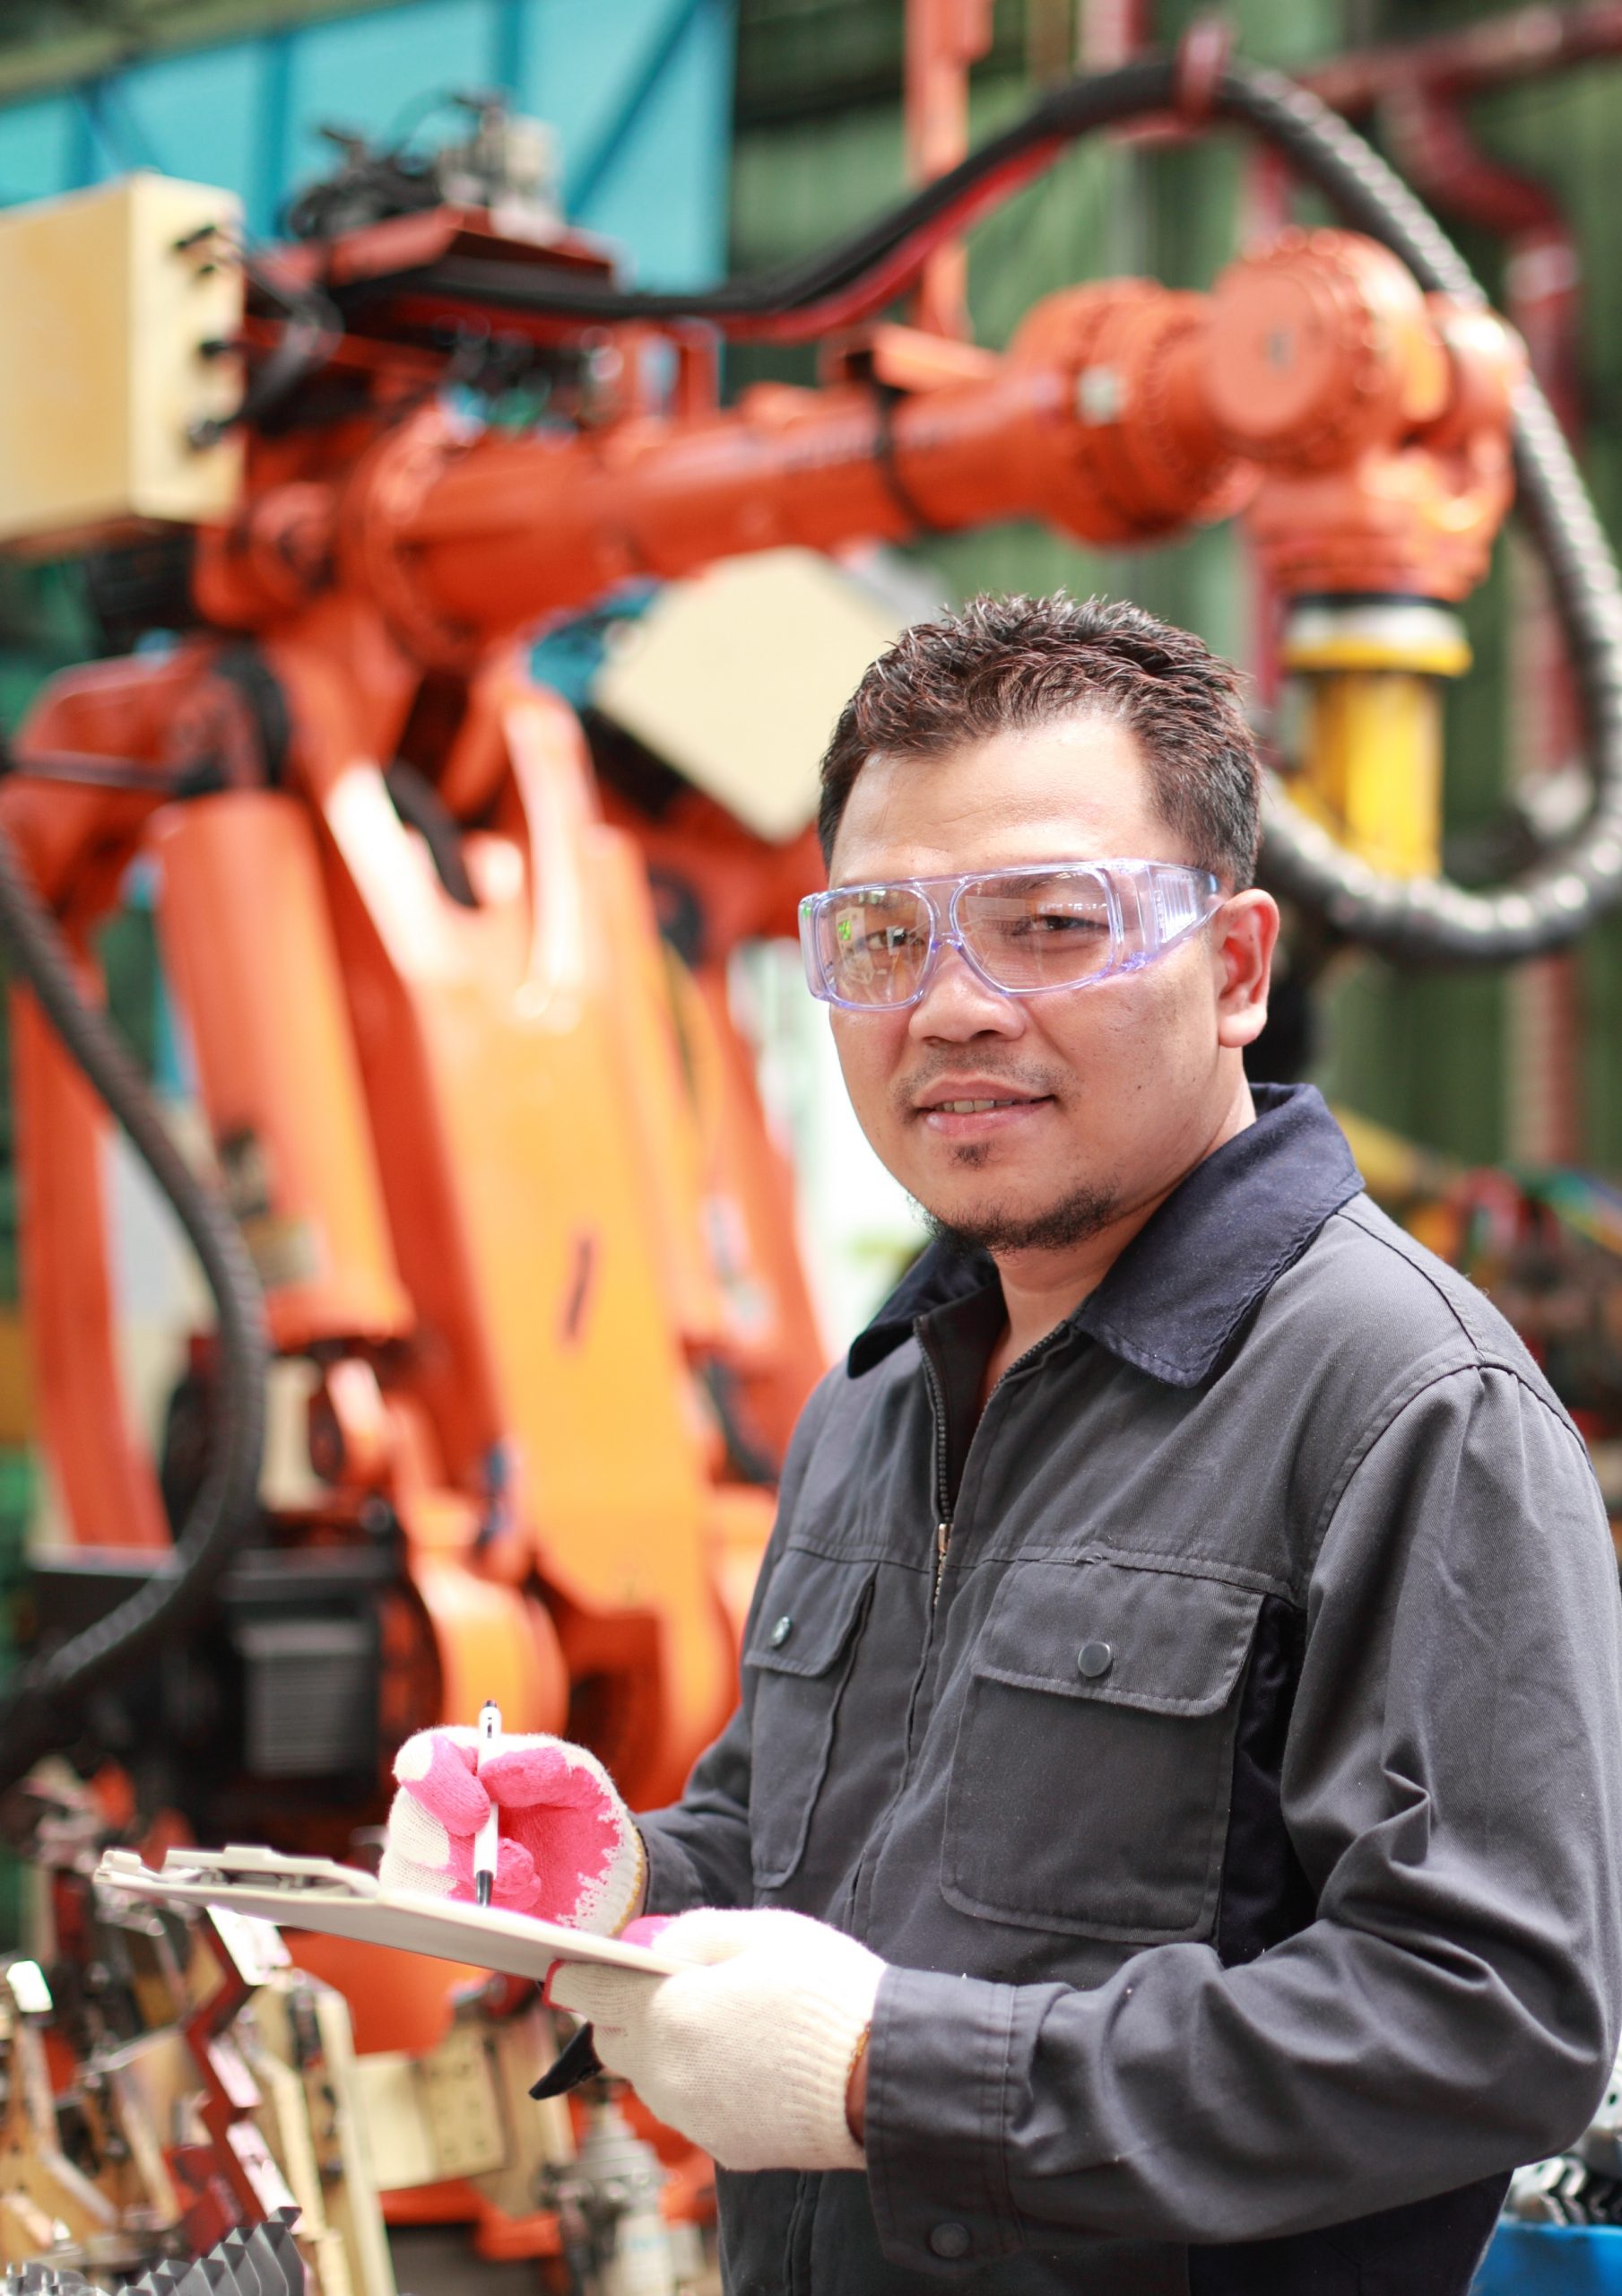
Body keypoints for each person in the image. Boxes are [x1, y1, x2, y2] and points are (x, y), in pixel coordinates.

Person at [381, 594, 1622, 2295]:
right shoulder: (880, 1395)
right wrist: (606, 1876)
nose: (951, 1008)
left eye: (1049, 924)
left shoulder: (1406, 1409)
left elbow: (1488, 2021)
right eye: (883, 938)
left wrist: (894, 2074)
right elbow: (813, 1850)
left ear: (1236, 968)